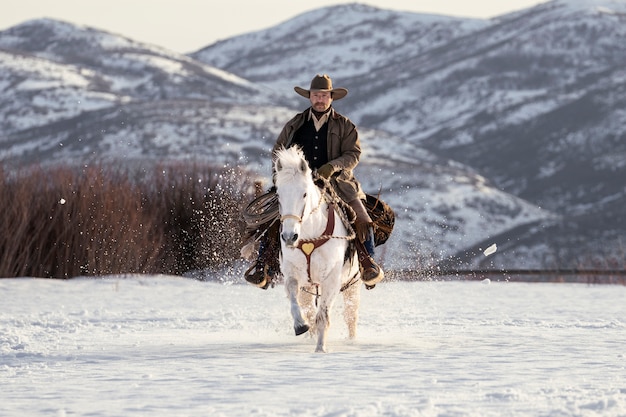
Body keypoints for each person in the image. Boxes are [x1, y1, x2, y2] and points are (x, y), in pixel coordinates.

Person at [244, 74, 384, 289]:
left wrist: (333, 167)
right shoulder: (294, 124)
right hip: (297, 185)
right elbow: (277, 154)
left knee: (362, 219)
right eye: (316, 95)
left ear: (331, 98)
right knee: (270, 219)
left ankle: (368, 265)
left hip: (339, 184)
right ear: (309, 97)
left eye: (324, 96)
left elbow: (353, 154)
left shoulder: (345, 125)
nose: (320, 99)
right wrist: (281, 179)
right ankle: (263, 267)